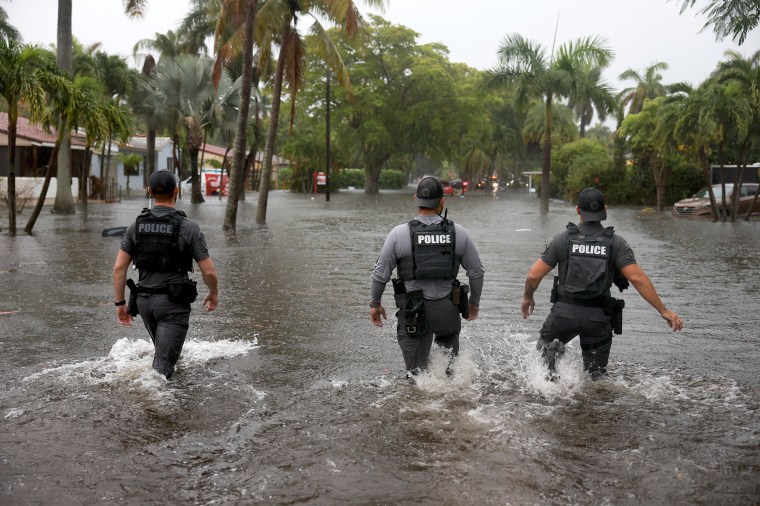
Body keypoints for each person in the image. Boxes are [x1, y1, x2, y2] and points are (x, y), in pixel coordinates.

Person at [521, 187, 684, 380]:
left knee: (542, 357)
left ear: (577, 210)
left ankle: (550, 379)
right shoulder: (616, 243)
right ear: (604, 210)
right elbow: (637, 278)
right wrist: (663, 310)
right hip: (597, 319)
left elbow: (533, 276)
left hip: (563, 315)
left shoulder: (562, 239)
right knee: (596, 377)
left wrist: (528, 297)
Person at [370, 176, 485, 378]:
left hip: (415, 314)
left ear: (415, 199)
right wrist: (473, 303)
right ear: (442, 201)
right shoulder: (459, 233)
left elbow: (381, 273)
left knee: (416, 376)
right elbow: (476, 272)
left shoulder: (398, 234)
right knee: (449, 376)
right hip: (448, 312)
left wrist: (375, 303)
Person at [113, 170, 219, 379]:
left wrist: (120, 304)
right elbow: (208, 271)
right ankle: (153, 404)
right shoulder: (189, 228)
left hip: (143, 303)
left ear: (150, 192)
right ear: (176, 191)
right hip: (172, 305)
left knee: (162, 357)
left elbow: (118, 269)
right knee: (161, 371)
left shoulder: (136, 225)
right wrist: (213, 292)